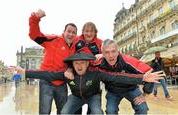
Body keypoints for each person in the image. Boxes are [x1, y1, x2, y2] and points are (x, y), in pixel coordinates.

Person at [10, 52, 164, 114]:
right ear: (73, 65)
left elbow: (117, 77)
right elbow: (46, 74)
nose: (80, 66)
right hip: (76, 96)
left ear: (87, 64)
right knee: (64, 113)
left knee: (97, 112)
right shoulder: (67, 74)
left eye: (83, 63)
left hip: (93, 96)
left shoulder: (96, 73)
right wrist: (24, 72)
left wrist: (142, 79)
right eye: (76, 63)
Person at [29, 9, 77, 114]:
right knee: (45, 112)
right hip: (46, 82)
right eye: (69, 31)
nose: (71, 34)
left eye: (74, 33)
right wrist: (35, 18)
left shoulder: (75, 47)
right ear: (64, 32)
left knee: (63, 111)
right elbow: (34, 35)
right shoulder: (53, 40)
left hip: (62, 83)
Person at [95, 39, 156, 114]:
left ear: (118, 52)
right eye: (107, 52)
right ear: (103, 53)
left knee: (142, 108)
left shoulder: (127, 60)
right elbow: (84, 62)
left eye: (113, 51)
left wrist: (145, 94)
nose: (111, 56)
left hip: (131, 89)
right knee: (110, 111)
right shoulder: (98, 63)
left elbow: (150, 72)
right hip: (113, 91)